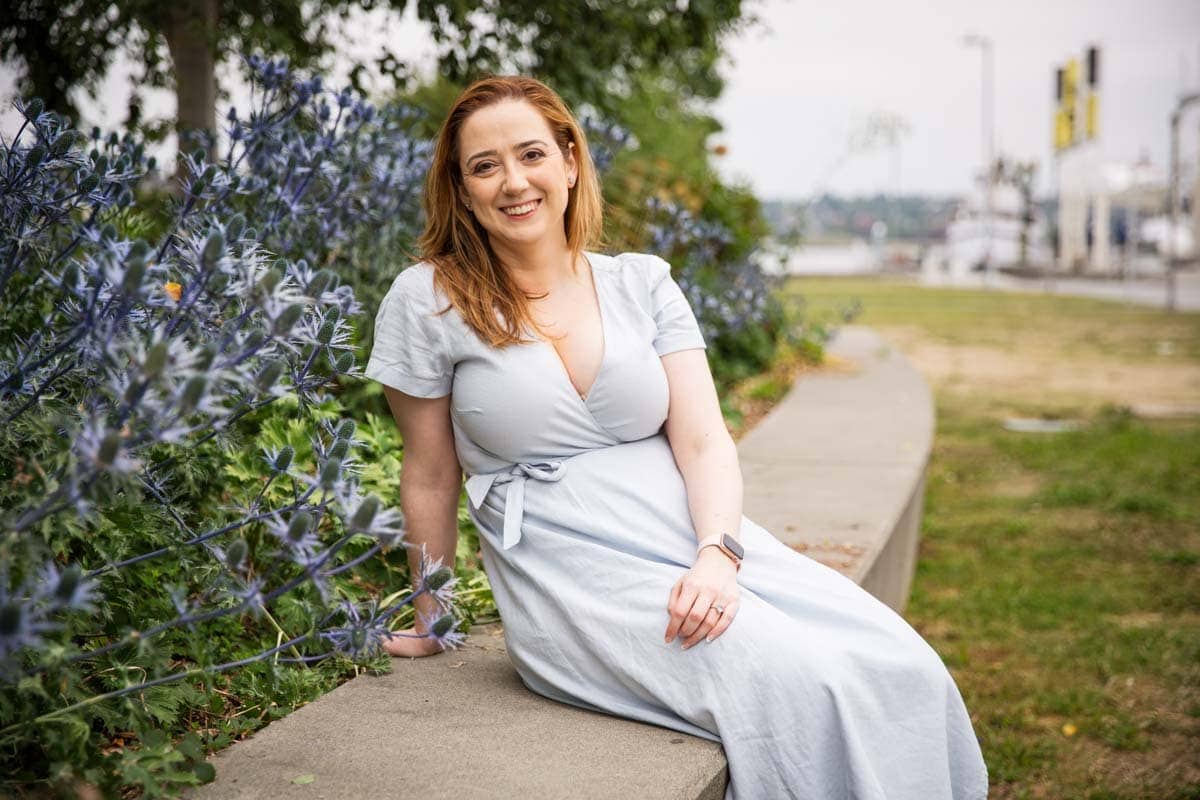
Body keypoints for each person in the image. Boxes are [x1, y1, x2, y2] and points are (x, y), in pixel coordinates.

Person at [364, 75, 989, 800]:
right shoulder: (427, 299)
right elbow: (432, 475)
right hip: (573, 574)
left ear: (569, 162)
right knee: (799, 681)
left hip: (690, 537)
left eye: (531, 154)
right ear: (462, 189)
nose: (513, 182)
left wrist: (719, 556)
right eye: (484, 166)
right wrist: (433, 616)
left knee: (898, 663)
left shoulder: (642, 282)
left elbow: (702, 440)